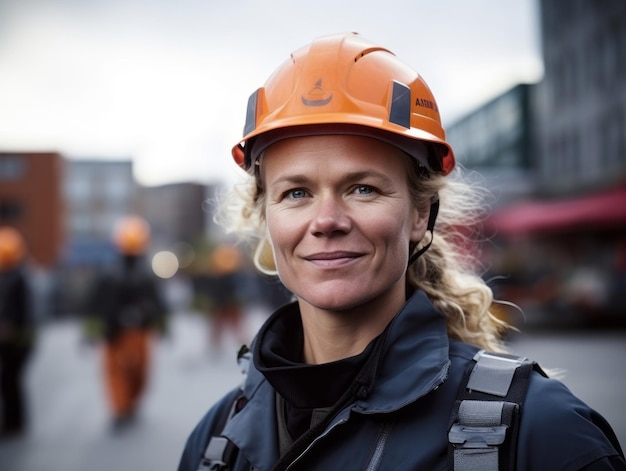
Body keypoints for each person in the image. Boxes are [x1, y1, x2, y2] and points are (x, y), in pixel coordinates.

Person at [178, 33, 625, 470]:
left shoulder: (543, 434)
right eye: (296, 193)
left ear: (419, 214)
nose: (327, 220)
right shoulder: (218, 439)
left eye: (363, 188)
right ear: (264, 217)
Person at [85, 215, 167, 430]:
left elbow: (157, 302)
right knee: (115, 372)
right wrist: (90, 332)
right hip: (114, 333)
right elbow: (96, 305)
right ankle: (121, 408)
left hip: (139, 331)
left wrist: (162, 324)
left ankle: (130, 403)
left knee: (140, 371)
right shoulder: (108, 275)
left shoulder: (145, 275)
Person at [0, 226, 35, 439]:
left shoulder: (18, 278)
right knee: (9, 380)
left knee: (10, 380)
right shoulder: (15, 276)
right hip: (13, 339)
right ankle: (14, 422)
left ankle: (14, 423)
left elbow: (22, 311)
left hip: (17, 340)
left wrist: (12, 328)